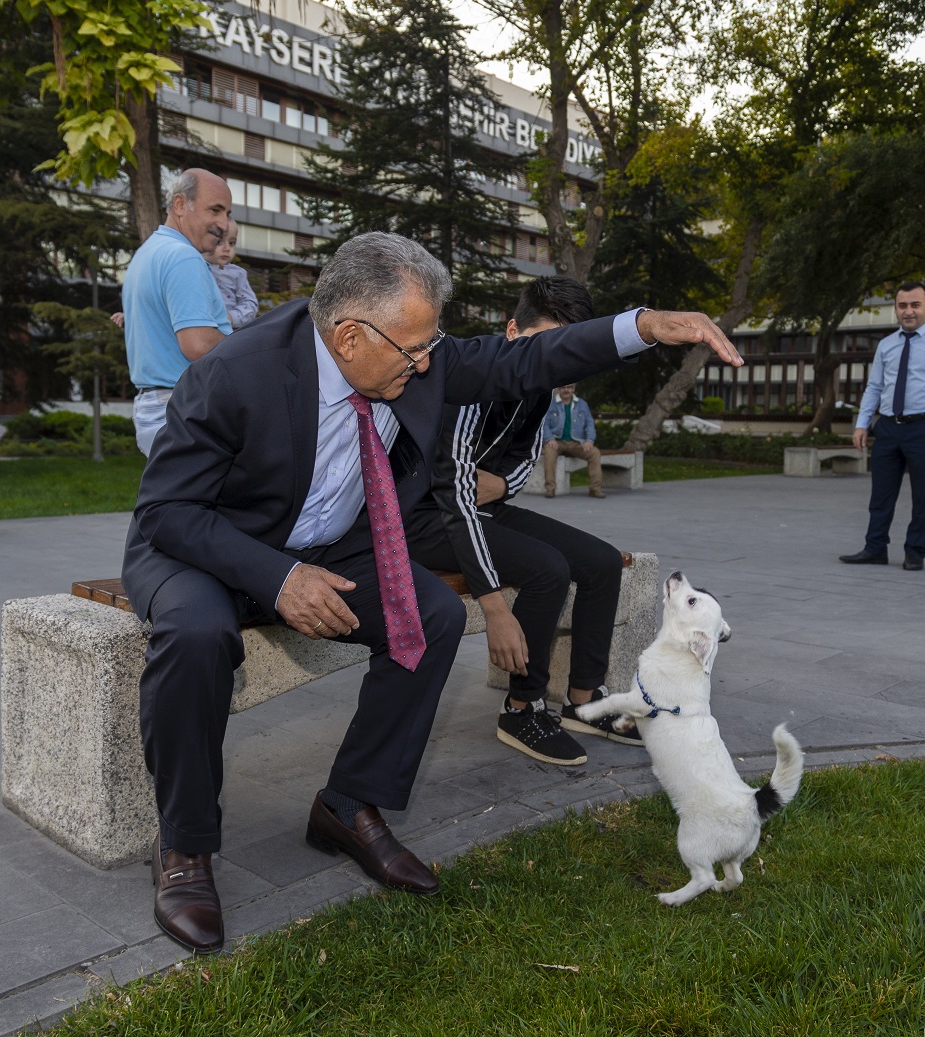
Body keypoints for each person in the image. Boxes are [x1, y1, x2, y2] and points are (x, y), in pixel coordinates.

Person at [122, 232, 744, 955]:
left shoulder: (408, 355)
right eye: (414, 349)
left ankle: (349, 804)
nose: (426, 365)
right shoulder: (234, 373)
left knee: (432, 614)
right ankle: (186, 848)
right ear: (348, 335)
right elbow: (166, 511)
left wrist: (644, 327)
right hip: (206, 542)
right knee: (196, 636)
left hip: (325, 541)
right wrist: (278, 576)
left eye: (431, 347)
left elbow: (526, 358)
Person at [405, 277, 638, 769]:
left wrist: (502, 485)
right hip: (424, 518)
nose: (556, 362)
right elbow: (451, 495)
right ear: (513, 330)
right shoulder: (471, 379)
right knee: (546, 568)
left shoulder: (542, 386)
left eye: (567, 352)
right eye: (548, 344)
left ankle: (584, 700)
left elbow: (525, 456)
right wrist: (493, 606)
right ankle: (522, 708)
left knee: (599, 563)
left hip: (478, 502)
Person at [839, 280, 925, 572]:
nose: (908, 311)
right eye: (902, 306)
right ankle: (875, 548)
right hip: (887, 427)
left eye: (915, 305)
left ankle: (915, 551)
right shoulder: (886, 345)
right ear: (896, 308)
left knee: (923, 494)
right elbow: (874, 387)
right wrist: (862, 424)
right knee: (880, 494)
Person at [123, 168, 234, 455]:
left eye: (228, 213)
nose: (223, 223)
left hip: (158, 409)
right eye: (215, 210)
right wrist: (248, 347)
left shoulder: (148, 253)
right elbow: (197, 344)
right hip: (184, 410)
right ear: (180, 205)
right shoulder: (183, 257)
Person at [540, 383, 603, 498]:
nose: (566, 390)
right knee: (548, 452)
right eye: (563, 387)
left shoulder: (582, 405)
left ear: (573, 389)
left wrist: (589, 440)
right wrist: (549, 438)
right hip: (557, 442)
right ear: (559, 389)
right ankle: (550, 488)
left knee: (595, 453)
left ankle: (595, 489)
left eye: (569, 387)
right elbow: (544, 424)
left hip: (576, 442)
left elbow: (589, 424)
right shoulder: (551, 404)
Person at [206, 219, 259, 330]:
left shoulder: (238, 274)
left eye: (232, 243)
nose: (227, 248)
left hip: (229, 331)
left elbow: (250, 303)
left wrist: (231, 317)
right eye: (219, 242)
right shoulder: (196, 267)